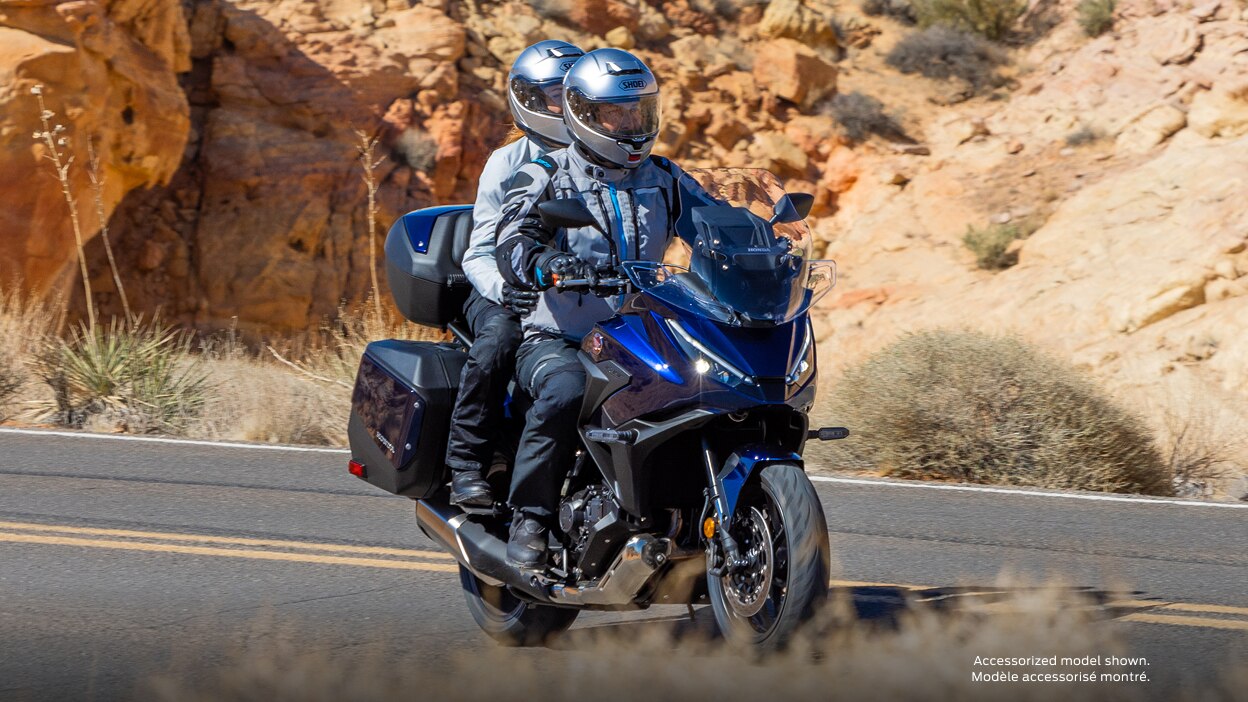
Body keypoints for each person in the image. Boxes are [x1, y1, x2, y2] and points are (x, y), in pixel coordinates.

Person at [493, 48, 709, 567]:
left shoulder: (665, 177)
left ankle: (691, 512)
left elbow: (714, 221)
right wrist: (547, 263)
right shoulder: (548, 173)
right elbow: (512, 239)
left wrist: (759, 242)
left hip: (641, 334)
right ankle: (531, 516)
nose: (631, 126)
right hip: (560, 335)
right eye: (616, 114)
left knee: (706, 389)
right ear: (584, 114)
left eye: (640, 112)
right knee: (565, 391)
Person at [447, 39, 585, 509]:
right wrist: (506, 290)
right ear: (529, 100)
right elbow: (479, 253)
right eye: (556, 95)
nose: (567, 104)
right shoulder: (507, 162)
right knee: (501, 337)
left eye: (574, 93)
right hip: (501, 288)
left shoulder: (601, 161)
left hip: (577, 290)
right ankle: (467, 463)